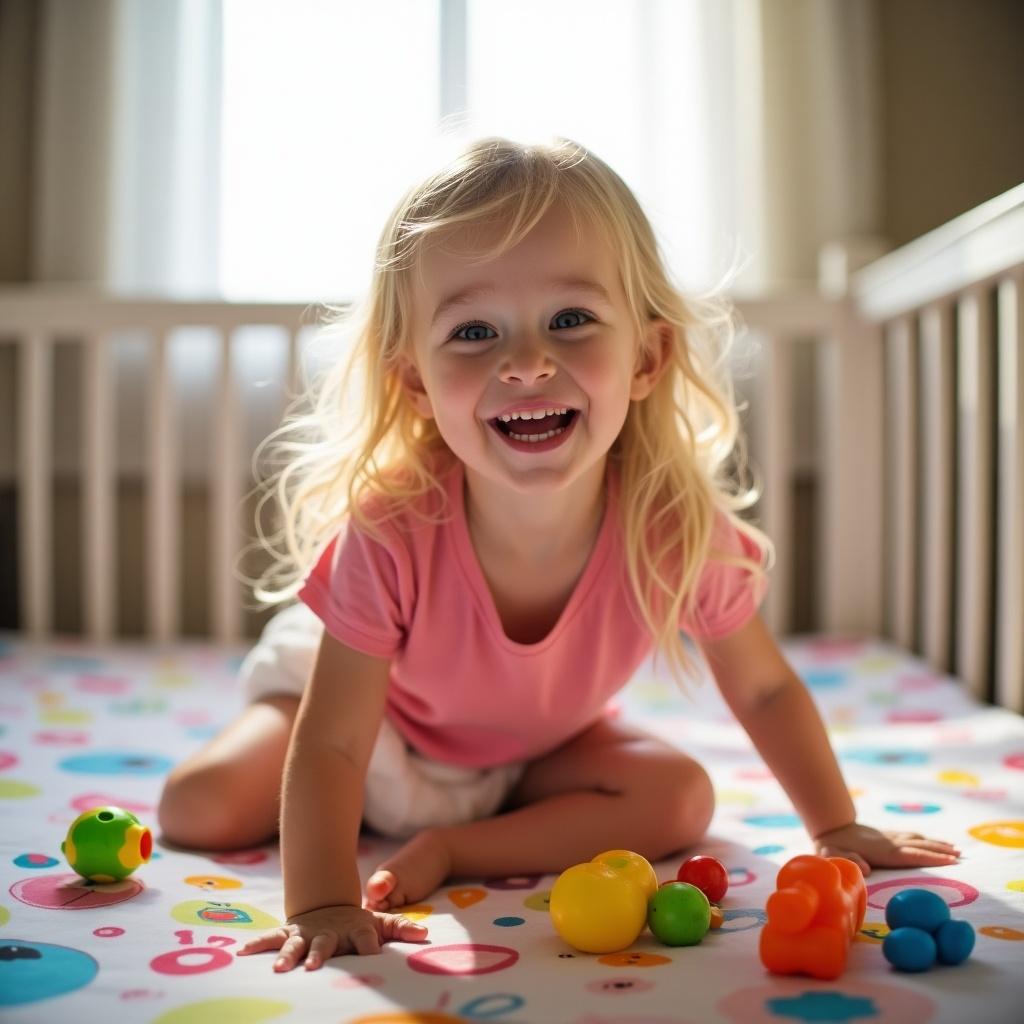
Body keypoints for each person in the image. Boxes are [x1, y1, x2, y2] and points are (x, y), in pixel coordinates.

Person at [157, 136, 960, 972]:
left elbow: (761, 686)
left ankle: (452, 846)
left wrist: (836, 826)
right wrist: (324, 901)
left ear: (647, 358)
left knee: (681, 795)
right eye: (473, 331)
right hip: (375, 724)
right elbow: (332, 746)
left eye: (571, 320)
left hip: (533, 754)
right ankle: (327, 791)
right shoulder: (392, 527)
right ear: (418, 385)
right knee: (200, 809)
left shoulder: (671, 524)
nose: (528, 362)